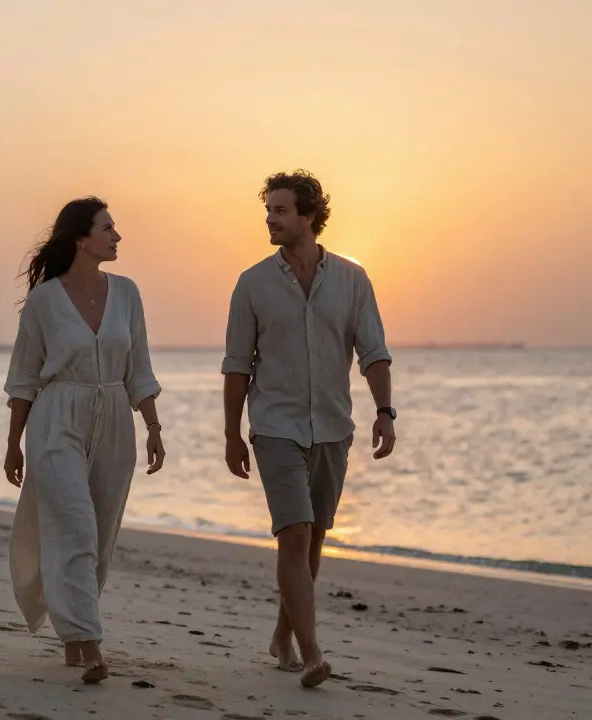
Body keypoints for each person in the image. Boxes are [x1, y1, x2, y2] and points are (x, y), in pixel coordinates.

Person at [221, 171, 396, 688]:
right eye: (268, 210)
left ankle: (282, 633)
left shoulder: (351, 279)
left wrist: (385, 412)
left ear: (308, 216)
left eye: (279, 210)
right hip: (275, 424)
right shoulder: (251, 283)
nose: (270, 220)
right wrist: (232, 433)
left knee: (314, 538)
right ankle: (312, 651)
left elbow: (374, 352)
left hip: (333, 429)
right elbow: (237, 365)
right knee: (293, 533)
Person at [3, 196, 166, 684]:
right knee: (74, 524)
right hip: (57, 417)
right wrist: (13, 443)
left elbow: (139, 369)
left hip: (115, 416)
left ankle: (74, 635)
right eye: (108, 228)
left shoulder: (128, 294)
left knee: (97, 537)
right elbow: (24, 377)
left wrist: (154, 426)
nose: (117, 236)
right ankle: (89, 643)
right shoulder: (44, 301)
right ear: (81, 238)